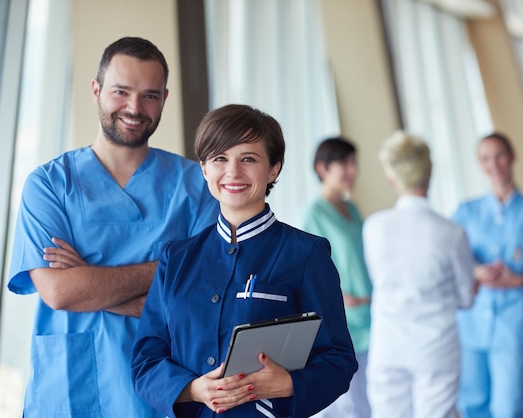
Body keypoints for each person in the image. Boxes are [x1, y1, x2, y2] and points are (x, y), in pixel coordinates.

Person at [7, 37, 219, 417]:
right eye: (121, 91)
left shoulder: (196, 186)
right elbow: (58, 292)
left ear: (165, 98)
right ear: (96, 90)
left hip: (162, 388)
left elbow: (200, 299)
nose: (134, 108)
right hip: (72, 390)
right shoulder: (49, 185)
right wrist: (167, 274)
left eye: (150, 95)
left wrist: (88, 281)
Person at [131, 104, 358, 418]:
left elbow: (338, 359)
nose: (233, 172)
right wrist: (194, 389)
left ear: (274, 169)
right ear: (204, 169)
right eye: (220, 159)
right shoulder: (177, 258)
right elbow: (146, 361)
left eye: (248, 159)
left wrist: (289, 383)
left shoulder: (306, 254)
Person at [362, 131, 475, 418]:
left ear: (391, 178)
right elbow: (466, 296)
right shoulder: (451, 232)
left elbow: (379, 279)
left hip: (388, 344)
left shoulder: (374, 227)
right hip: (435, 347)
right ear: (430, 171)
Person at [452, 132, 523, 418]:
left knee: (508, 406)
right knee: (473, 401)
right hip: (473, 320)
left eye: (499, 155)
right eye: (485, 158)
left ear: (512, 157)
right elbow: (452, 256)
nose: (494, 164)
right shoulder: (466, 211)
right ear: (479, 164)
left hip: (514, 320)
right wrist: (476, 269)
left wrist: (518, 280)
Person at [299, 136, 372, 418]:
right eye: (344, 163)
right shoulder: (312, 215)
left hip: (369, 316)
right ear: (322, 168)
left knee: (369, 399)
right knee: (350, 404)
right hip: (342, 320)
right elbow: (306, 273)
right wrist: (337, 298)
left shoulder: (352, 209)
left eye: (354, 163)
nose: (352, 170)